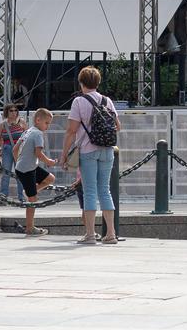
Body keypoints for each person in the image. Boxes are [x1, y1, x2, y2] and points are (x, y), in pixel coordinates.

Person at [63, 65, 121, 245]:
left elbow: (71, 130)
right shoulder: (107, 100)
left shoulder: (79, 102)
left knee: (89, 191)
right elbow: (118, 125)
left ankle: (90, 234)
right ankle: (111, 234)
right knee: (105, 190)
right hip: (108, 150)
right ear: (98, 82)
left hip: (88, 150)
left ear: (81, 83)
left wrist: (65, 154)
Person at [13, 107, 59, 237]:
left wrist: (18, 163)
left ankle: (29, 191)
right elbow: (38, 153)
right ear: (38, 120)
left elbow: (15, 149)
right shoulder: (38, 134)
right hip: (27, 169)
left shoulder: (28, 131)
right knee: (32, 200)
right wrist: (49, 161)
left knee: (50, 178)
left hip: (24, 167)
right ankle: (30, 227)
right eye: (46, 123)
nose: (48, 126)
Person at [0, 103, 28, 200]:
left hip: (20, 149)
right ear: (7, 112)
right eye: (11, 111)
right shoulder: (3, 124)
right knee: (6, 173)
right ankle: (3, 196)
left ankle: (22, 197)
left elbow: (28, 136)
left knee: (20, 173)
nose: (13, 113)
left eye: (15, 110)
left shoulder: (22, 122)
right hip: (7, 148)